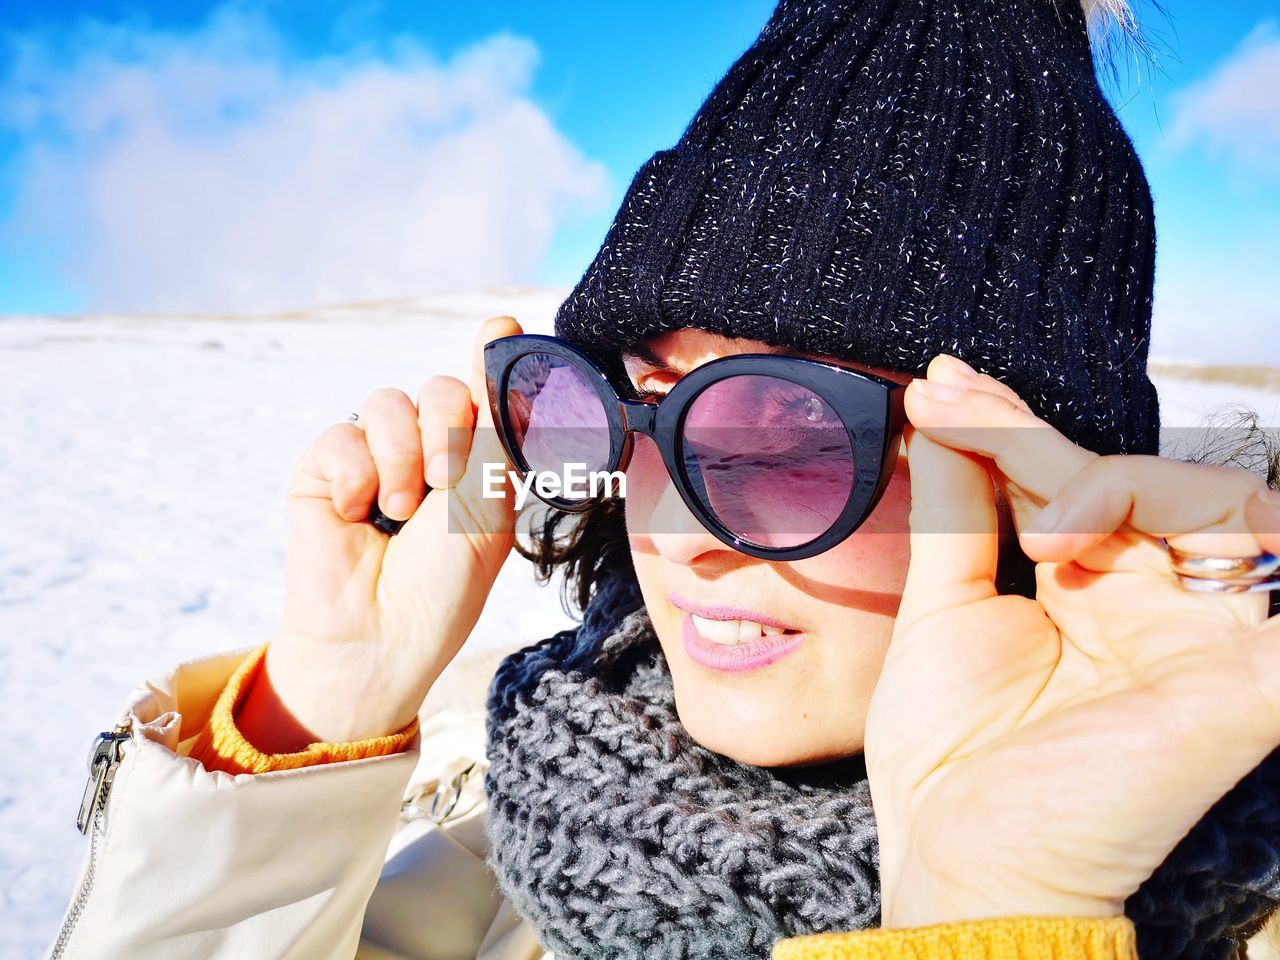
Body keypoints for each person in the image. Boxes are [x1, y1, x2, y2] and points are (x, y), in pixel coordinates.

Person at [44, 1, 1280, 959]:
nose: (676, 536)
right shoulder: (506, 799)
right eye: (628, 407)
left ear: (1036, 483)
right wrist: (314, 718)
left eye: (786, 430)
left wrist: (993, 907)